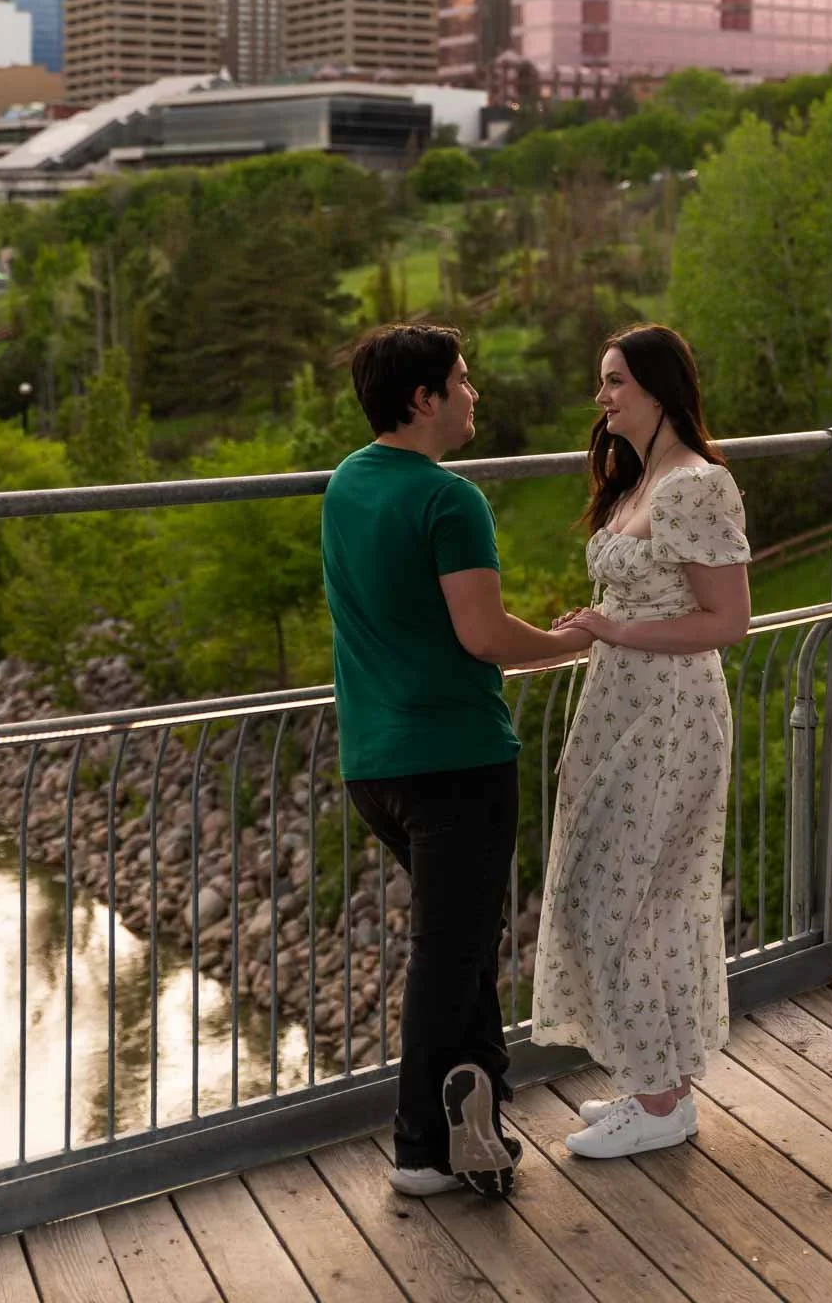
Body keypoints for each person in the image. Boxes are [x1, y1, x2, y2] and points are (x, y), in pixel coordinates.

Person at [322, 323, 586, 1198]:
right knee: (449, 948)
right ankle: (422, 1147)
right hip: (456, 760)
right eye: (463, 382)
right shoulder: (450, 499)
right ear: (424, 398)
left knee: (465, 939)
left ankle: (478, 1105)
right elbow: (482, 635)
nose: (475, 395)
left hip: (373, 766)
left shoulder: (347, 484)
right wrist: (565, 642)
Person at [532, 324, 751, 1160]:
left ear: (658, 388)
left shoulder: (695, 485)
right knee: (636, 895)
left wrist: (613, 626)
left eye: (615, 381)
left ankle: (659, 1102)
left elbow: (726, 621)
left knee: (619, 897)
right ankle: (655, 1085)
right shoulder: (641, 481)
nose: (603, 397)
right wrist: (604, 629)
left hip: (665, 716)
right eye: (602, 382)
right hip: (623, 706)